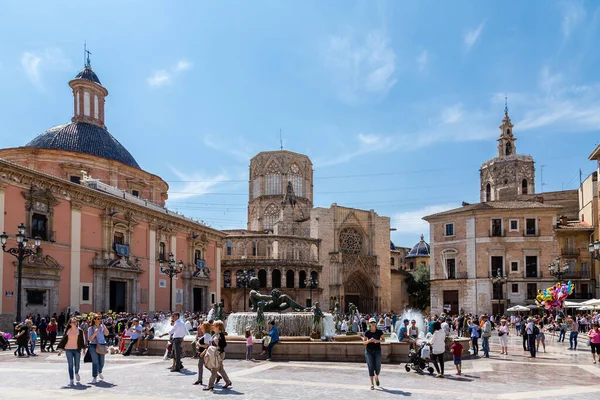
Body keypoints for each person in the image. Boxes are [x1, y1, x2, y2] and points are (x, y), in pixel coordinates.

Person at [203, 320, 232, 391]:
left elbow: (224, 345)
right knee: (220, 369)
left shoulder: (220, 335)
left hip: (218, 354)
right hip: (215, 354)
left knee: (214, 369)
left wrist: (218, 346)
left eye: (214, 326)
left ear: (218, 327)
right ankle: (228, 382)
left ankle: (210, 385)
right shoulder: (215, 335)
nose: (212, 327)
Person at [57, 318, 86, 386]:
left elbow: (82, 340)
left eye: (75, 322)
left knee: (77, 364)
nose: (74, 323)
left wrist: (84, 349)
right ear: (70, 324)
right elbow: (64, 341)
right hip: (68, 349)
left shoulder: (80, 331)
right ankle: (71, 379)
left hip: (77, 349)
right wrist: (60, 351)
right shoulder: (68, 331)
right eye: (73, 322)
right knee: (70, 365)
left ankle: (76, 373)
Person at [194, 321, 221, 386]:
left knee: (204, 365)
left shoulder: (207, 336)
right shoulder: (206, 335)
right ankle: (216, 376)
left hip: (204, 353)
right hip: (203, 353)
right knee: (204, 365)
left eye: (202, 327)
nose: (200, 328)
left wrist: (199, 345)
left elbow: (207, 346)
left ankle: (200, 379)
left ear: (205, 328)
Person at [362, 317, 384, 390]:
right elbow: (364, 342)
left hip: (377, 351)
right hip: (369, 351)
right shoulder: (367, 332)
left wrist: (377, 341)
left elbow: (383, 340)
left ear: (376, 323)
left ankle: (376, 376)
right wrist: (369, 341)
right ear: (369, 324)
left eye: (374, 322)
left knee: (378, 366)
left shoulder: (379, 332)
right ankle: (372, 383)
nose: (373, 323)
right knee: (370, 366)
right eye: (371, 322)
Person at [88, 313, 109, 383]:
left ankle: (99, 371)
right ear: (94, 320)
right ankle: (94, 376)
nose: (100, 320)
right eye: (98, 319)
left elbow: (107, 334)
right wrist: (94, 334)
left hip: (102, 345)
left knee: (102, 362)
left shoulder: (102, 327)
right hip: (93, 345)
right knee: (95, 362)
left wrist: (104, 326)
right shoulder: (90, 328)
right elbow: (90, 339)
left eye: (100, 319)